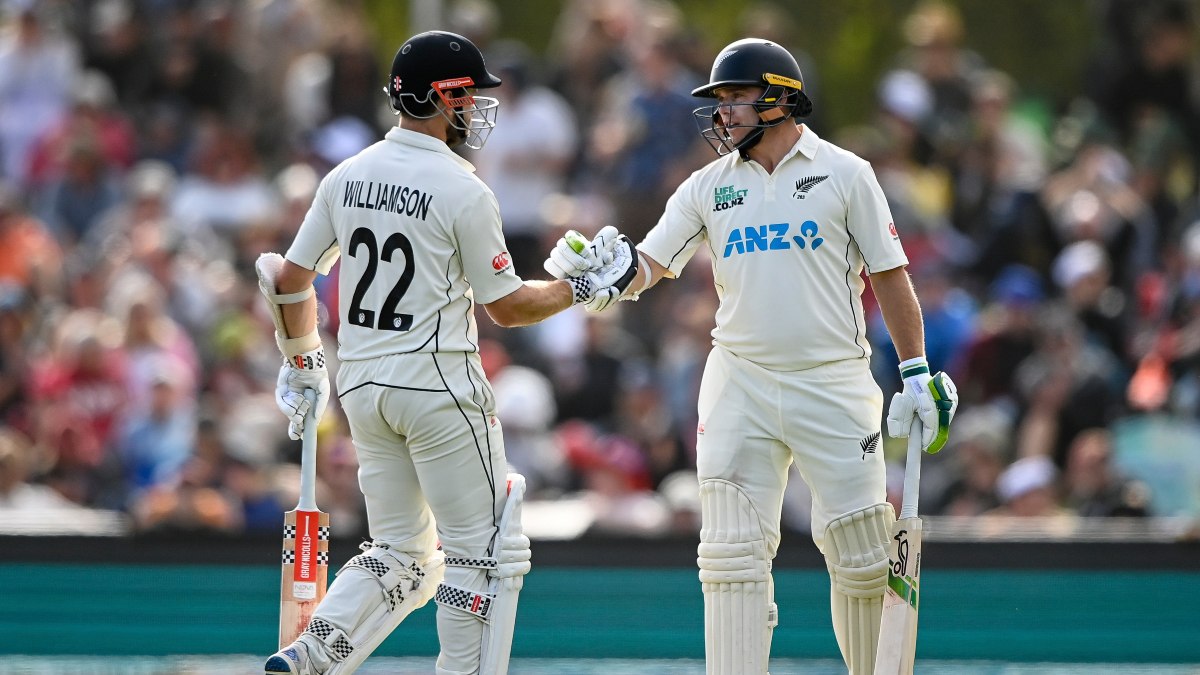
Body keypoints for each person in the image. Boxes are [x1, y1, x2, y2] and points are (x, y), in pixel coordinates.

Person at [545, 38, 959, 674]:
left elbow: (891, 275)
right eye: (720, 101)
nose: (724, 113)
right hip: (740, 378)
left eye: (736, 98)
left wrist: (914, 372)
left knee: (863, 555)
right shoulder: (708, 186)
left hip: (833, 381)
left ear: (780, 98)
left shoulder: (847, 174)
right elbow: (652, 263)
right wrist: (611, 274)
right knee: (732, 556)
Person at [256, 30, 636, 675]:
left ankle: (308, 657)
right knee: (481, 555)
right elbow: (508, 307)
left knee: (402, 553)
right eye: (468, 95)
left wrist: (301, 361)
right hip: (438, 387)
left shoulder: (347, 175)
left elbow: (288, 279)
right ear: (439, 96)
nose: (478, 108)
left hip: (364, 389)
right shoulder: (463, 188)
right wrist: (578, 287)